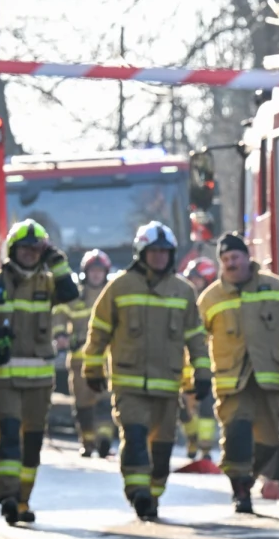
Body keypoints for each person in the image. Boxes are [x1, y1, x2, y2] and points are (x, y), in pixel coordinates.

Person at [82, 222, 210, 521]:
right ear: (141, 253)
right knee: (135, 436)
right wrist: (92, 366)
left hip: (167, 386)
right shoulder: (120, 286)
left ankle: (153, 491)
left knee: (162, 450)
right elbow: (98, 330)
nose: (159, 258)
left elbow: (196, 337)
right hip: (129, 385)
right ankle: (137, 493)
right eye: (153, 252)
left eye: (165, 253)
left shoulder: (183, 290)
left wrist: (202, 372)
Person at [197, 233, 279, 513]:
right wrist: (193, 376)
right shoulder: (210, 298)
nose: (231, 264)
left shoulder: (274, 286)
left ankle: (248, 476)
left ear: (247, 257)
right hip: (231, 383)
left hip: (267, 380)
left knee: (268, 442)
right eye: (225, 260)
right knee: (237, 432)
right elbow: (194, 339)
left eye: (235, 257)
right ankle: (240, 489)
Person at [0, 219, 79, 525]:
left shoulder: (49, 282)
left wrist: (58, 263)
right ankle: (8, 497)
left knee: (32, 443)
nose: (29, 253)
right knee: (10, 435)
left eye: (35, 248)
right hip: (5, 378)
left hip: (40, 380)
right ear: (13, 249)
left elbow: (70, 294)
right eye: (24, 248)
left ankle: (23, 501)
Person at [53, 248, 115, 458]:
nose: (96, 275)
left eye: (100, 271)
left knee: (105, 401)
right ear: (85, 273)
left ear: (105, 272)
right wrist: (61, 335)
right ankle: (87, 442)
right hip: (80, 360)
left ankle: (104, 439)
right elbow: (59, 316)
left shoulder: (112, 295)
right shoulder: (74, 298)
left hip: (107, 360)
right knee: (83, 404)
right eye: (92, 271)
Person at [179, 256, 219, 462]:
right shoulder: (183, 300)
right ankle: (192, 439)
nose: (193, 284)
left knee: (206, 409)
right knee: (183, 411)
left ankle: (205, 450)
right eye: (191, 279)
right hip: (181, 367)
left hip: (205, 365)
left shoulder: (213, 302)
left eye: (198, 280)